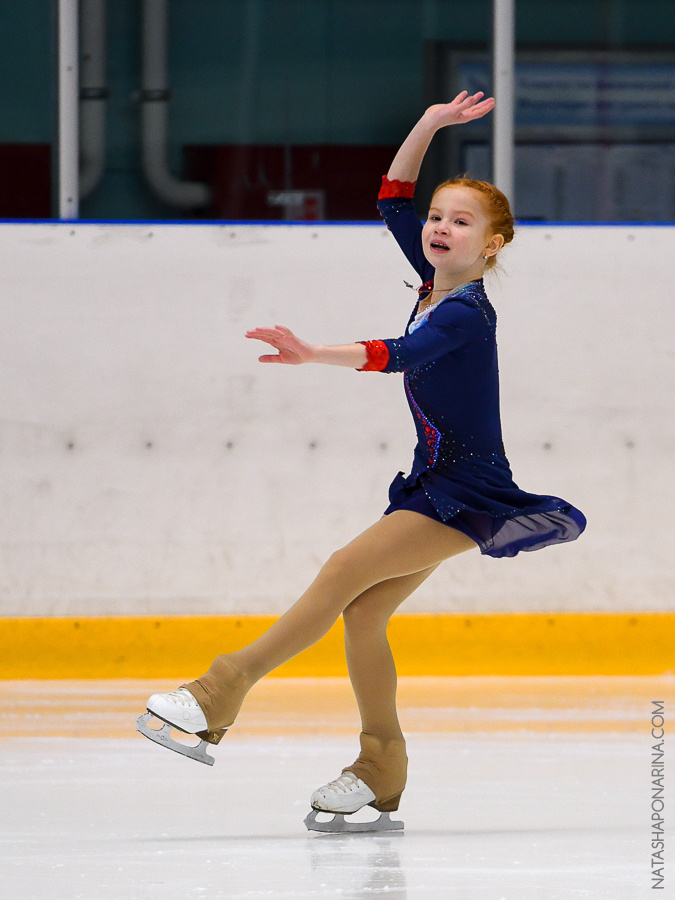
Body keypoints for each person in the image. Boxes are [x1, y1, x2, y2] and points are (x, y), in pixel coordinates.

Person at [137, 91, 586, 832]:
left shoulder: (464, 311)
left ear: (492, 245)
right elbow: (390, 197)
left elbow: (399, 354)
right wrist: (431, 123)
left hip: (463, 488)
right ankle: (380, 766)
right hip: (434, 480)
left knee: (343, 573)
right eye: (438, 217)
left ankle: (218, 692)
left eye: (460, 221)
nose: (439, 228)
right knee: (363, 613)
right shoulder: (432, 279)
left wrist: (314, 352)